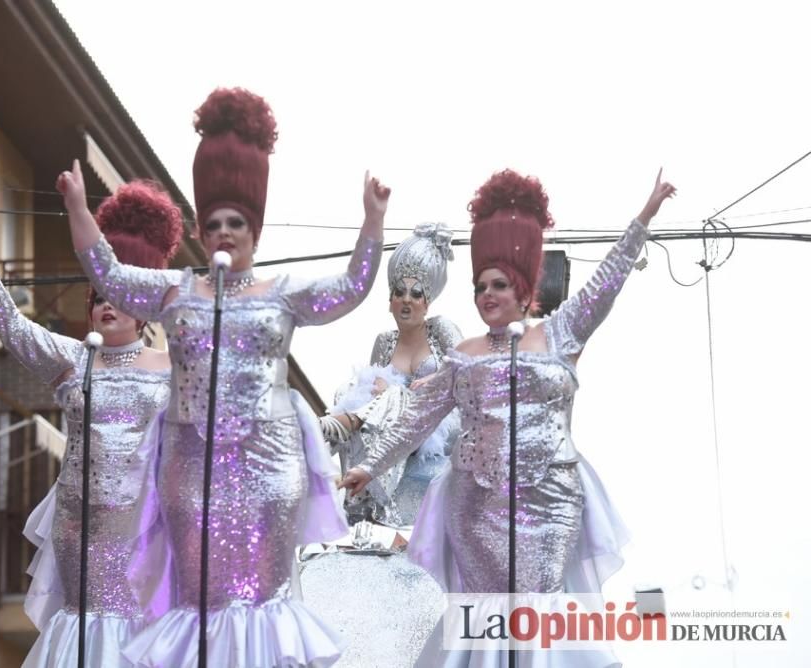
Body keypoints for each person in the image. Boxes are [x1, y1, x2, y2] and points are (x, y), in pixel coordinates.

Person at [60, 87, 390, 667]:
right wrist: (78, 211)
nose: (224, 232)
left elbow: (352, 288)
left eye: (236, 221)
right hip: (191, 475)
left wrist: (372, 221)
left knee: (260, 604)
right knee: (201, 608)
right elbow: (107, 273)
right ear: (201, 230)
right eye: (213, 223)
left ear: (255, 227)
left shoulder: (282, 296)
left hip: (269, 473)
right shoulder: (176, 295)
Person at [340, 168, 676, 667]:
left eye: (498, 284)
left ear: (523, 286)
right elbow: (416, 416)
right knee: (487, 614)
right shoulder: (464, 355)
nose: (486, 295)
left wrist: (643, 218)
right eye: (480, 286)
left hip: (551, 501)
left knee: (538, 611)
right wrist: (370, 466)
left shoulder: (560, 335)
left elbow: (607, 283)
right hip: (477, 508)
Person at [0, 180, 183, 667]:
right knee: (86, 619)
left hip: (140, 521)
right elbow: (12, 326)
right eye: (97, 295)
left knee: (127, 618)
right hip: (79, 520)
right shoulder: (75, 359)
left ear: (141, 310)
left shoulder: (169, 369)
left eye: (116, 296)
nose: (105, 303)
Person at [322, 222, 462, 527]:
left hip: (438, 428)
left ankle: (332, 429)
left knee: (396, 393)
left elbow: (467, 374)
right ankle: (349, 478)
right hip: (392, 430)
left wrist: (435, 383)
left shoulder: (441, 330)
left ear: (428, 302)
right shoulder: (384, 342)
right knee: (349, 389)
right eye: (400, 292)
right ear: (390, 301)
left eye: (416, 293)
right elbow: (370, 397)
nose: (407, 299)